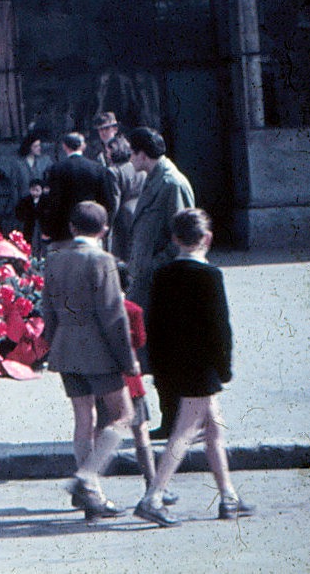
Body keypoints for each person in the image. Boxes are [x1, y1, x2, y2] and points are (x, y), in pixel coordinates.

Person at [134, 208, 254, 527]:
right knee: (186, 431)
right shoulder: (210, 276)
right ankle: (154, 496)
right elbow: (220, 327)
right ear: (208, 238)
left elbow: (153, 324)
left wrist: (157, 367)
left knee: (214, 427)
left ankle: (228, 495)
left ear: (175, 239)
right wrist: (224, 368)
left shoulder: (163, 274)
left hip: (171, 364)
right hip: (201, 367)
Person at [40, 201, 138, 519]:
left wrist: (52, 344)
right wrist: (128, 360)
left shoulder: (54, 260)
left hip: (65, 347)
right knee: (123, 415)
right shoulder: (103, 260)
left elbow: (48, 309)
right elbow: (113, 316)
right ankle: (87, 477)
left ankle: (91, 495)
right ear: (104, 229)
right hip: (99, 350)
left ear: (72, 228)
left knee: (84, 418)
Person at [122, 126, 197, 440]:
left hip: (164, 285)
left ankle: (182, 420)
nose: (129, 158)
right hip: (148, 283)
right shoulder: (154, 179)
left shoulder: (170, 183)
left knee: (168, 355)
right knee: (156, 354)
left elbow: (184, 237)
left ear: (142, 153)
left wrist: (151, 265)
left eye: (131, 152)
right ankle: (174, 419)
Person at [116, 259, 168, 508]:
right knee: (141, 433)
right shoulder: (134, 310)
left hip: (107, 380)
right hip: (131, 381)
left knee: (101, 431)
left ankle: (89, 486)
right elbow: (139, 342)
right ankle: (152, 483)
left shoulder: (98, 310)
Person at [40, 133, 117, 247]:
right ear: (83, 146)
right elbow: (108, 201)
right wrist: (104, 228)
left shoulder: (56, 169)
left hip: (63, 232)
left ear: (64, 146)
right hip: (92, 231)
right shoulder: (98, 169)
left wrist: (48, 230)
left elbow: (52, 203)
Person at [106, 135, 145, 262]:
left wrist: (108, 224)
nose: (107, 154)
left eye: (108, 151)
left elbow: (114, 201)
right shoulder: (138, 167)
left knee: (122, 256)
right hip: (140, 211)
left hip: (123, 217)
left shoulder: (114, 171)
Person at [6, 133, 50, 230]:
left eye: (39, 145)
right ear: (29, 147)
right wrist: (16, 205)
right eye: (36, 146)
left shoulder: (45, 160)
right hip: (24, 202)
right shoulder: (17, 163)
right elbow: (14, 185)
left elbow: (51, 178)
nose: (39, 148)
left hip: (41, 203)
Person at [15, 179, 47, 252]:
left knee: (42, 244)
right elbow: (19, 212)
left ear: (42, 190)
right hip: (29, 226)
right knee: (29, 242)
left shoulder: (46, 200)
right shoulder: (25, 201)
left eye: (37, 190)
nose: (35, 193)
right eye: (33, 190)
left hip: (42, 226)